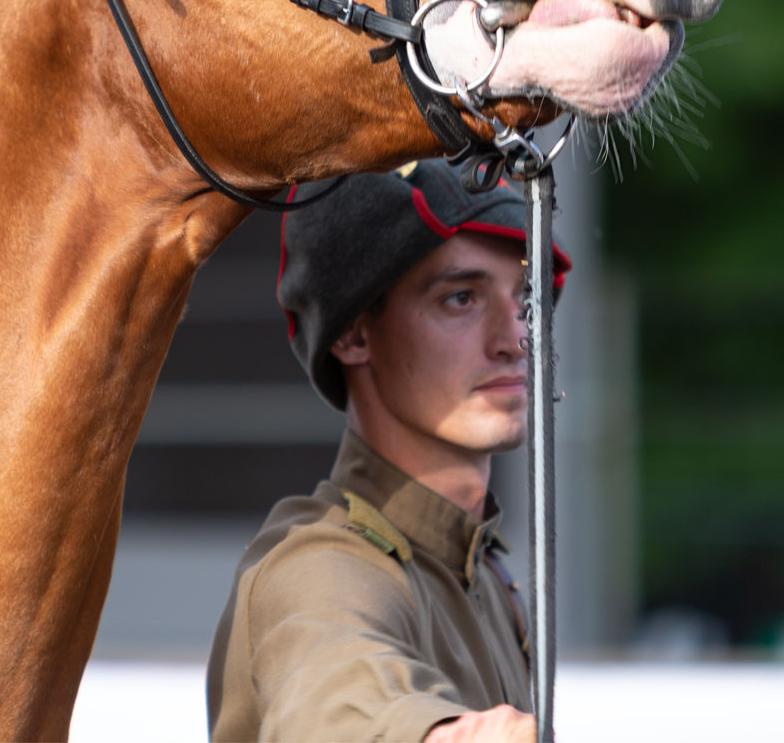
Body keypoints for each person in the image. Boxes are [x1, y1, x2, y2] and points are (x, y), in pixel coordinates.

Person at [206, 160, 569, 743]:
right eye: (461, 298)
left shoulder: (484, 571)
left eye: (526, 296)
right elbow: (335, 700)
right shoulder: (316, 562)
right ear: (352, 334)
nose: (517, 338)